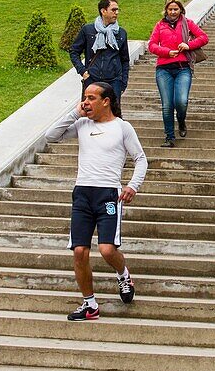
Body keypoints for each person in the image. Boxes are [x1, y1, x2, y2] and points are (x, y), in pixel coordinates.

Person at [45, 82, 147, 320]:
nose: (86, 102)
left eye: (91, 98)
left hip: (108, 194)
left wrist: (132, 185)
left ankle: (123, 274)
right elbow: (51, 136)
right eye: (84, 98)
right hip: (82, 193)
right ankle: (90, 304)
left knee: (107, 249)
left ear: (106, 101)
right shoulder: (82, 124)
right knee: (80, 251)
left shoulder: (122, 127)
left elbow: (140, 159)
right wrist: (75, 113)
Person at [148, 0, 209, 147]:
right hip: (164, 68)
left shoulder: (187, 24)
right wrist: (166, 52)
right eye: (170, 9)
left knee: (181, 101)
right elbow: (152, 45)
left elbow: (203, 37)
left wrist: (189, 45)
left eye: (176, 9)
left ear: (181, 9)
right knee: (167, 105)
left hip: (183, 68)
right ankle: (169, 137)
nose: (173, 12)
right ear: (166, 10)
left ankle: (181, 121)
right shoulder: (160, 25)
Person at [69, 0, 131, 109]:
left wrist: (123, 82)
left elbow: (125, 59)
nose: (116, 13)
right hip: (92, 78)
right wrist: (83, 71)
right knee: (88, 113)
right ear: (103, 11)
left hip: (114, 80)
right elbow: (74, 51)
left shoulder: (121, 33)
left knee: (113, 115)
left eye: (117, 10)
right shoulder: (88, 30)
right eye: (113, 10)